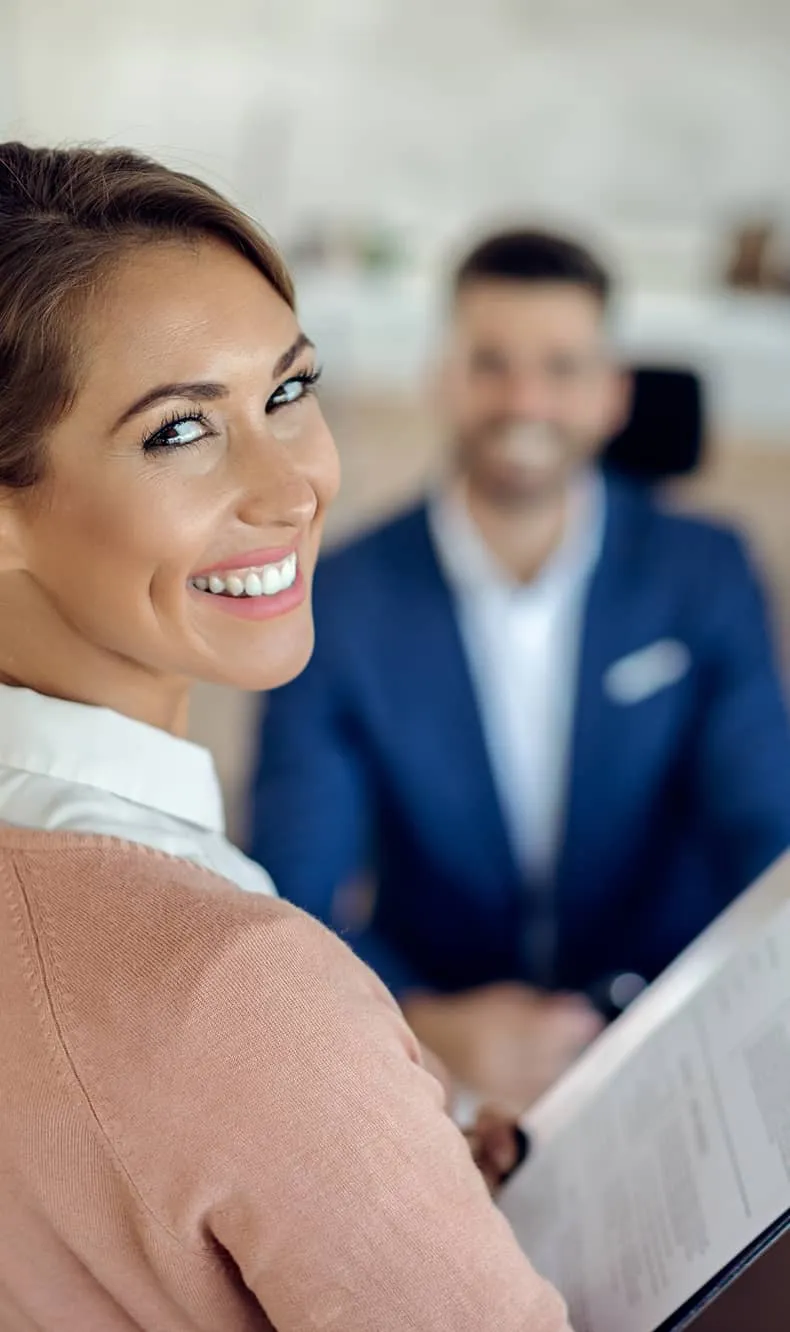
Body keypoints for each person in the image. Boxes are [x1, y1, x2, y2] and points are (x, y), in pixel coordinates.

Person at [0, 145, 570, 1332]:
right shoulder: (235, 984)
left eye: (286, 394)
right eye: (178, 433)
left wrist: (380, 1172)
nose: (293, 487)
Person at [250, 228, 790, 1110]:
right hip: (437, 1054)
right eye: (491, 362)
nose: (526, 398)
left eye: (563, 367)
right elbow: (292, 885)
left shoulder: (708, 572)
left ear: (614, 394)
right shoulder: (340, 595)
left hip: (674, 1033)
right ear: (443, 378)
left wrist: (708, 1012)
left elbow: (766, 835)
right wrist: (421, 1019)